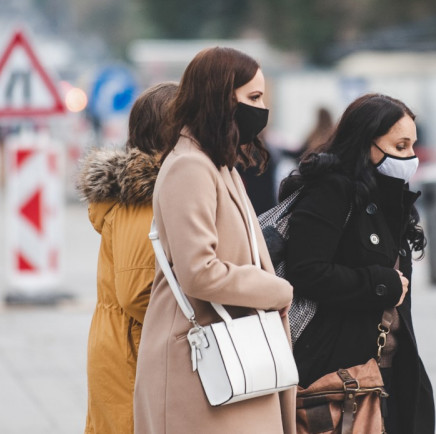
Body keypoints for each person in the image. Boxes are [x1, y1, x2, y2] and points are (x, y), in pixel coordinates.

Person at [133, 47, 295, 433]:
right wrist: (276, 290)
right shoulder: (190, 166)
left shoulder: (215, 162)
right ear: (222, 99)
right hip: (203, 366)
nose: (261, 109)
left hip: (232, 361)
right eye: (253, 98)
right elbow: (198, 272)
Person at [281, 93, 435, 433]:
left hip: (390, 366)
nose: (410, 156)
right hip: (339, 374)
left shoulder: (391, 195)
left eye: (413, 145)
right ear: (367, 143)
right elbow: (305, 270)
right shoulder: (331, 191)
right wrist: (380, 283)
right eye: (400, 145)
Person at [77, 82, 179, 434]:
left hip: (124, 346)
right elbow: (138, 292)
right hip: (132, 351)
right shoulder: (143, 198)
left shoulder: (146, 192)